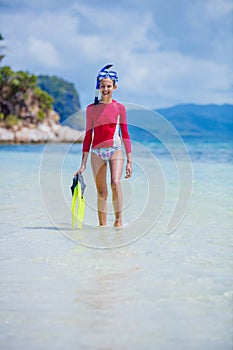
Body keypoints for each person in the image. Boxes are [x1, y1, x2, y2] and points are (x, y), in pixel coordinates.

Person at [74, 65, 132, 228]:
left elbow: (125, 134)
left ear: (114, 87)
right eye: (102, 86)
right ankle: (102, 228)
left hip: (115, 150)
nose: (105, 89)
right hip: (96, 152)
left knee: (115, 183)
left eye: (108, 86)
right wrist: (83, 163)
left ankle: (118, 222)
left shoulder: (120, 108)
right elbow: (88, 136)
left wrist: (129, 161)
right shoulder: (91, 109)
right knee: (102, 192)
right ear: (98, 87)